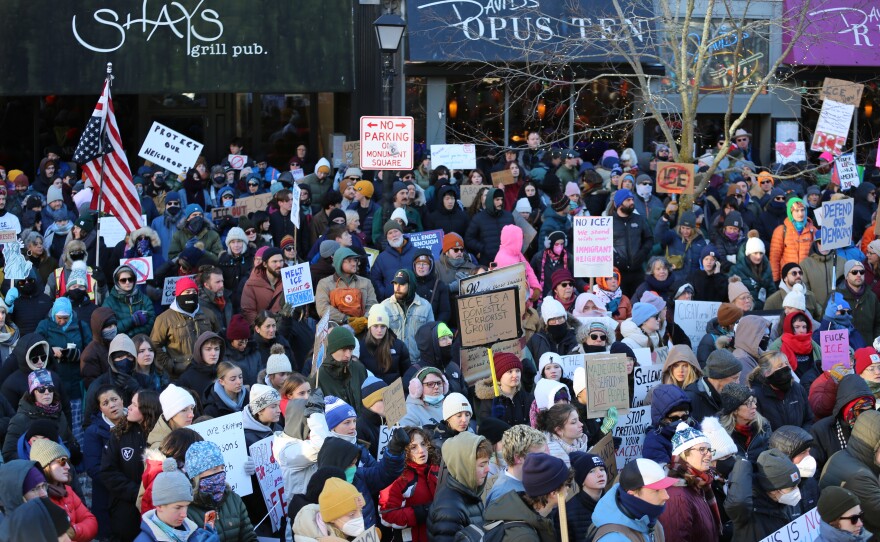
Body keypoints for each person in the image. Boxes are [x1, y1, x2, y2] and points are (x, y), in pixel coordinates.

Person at [101, 390, 162, 541]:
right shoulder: (119, 434)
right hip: (125, 510)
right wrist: (137, 493)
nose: (129, 407)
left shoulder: (162, 437)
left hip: (157, 508)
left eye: (135, 405)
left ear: (147, 409)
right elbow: (108, 472)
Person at [482, 452, 572, 541]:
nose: (568, 487)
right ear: (553, 493)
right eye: (566, 484)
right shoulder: (524, 537)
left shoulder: (541, 517)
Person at [657, 423, 721, 542]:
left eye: (709, 449)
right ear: (684, 454)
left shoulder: (699, 485)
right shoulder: (677, 496)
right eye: (702, 449)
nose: (709, 454)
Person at [183, 441, 257, 542]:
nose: (220, 473)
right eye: (214, 469)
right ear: (197, 474)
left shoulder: (233, 499)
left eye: (222, 467)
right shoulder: (186, 509)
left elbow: (249, 537)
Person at [3, 369, 81, 464]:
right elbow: (8, 454)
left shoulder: (59, 413)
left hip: (61, 468)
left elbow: (70, 440)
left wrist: (72, 450)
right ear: (33, 392)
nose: (47, 392)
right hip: (35, 474)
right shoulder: (20, 419)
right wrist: (35, 461)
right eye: (41, 389)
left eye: (50, 389)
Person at [427, 432, 494, 541]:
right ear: (465, 467)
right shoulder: (450, 509)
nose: (488, 469)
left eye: (488, 463)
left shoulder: (470, 492)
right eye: (482, 465)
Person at [588, 458, 674, 542]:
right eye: (656, 490)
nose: (666, 496)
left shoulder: (652, 522)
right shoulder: (614, 538)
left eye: (664, 488)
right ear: (632, 494)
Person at [378, 427, 440, 542]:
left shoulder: (436, 468)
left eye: (423, 444)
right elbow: (386, 515)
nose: (421, 450)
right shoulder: (397, 478)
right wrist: (421, 512)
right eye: (413, 447)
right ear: (404, 451)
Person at [134, 458, 219, 542]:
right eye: (178, 507)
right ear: (159, 506)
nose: (184, 514)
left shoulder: (194, 534)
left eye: (186, 506)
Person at [29, 438, 98, 542]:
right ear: (45, 465)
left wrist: (73, 531)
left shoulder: (67, 491)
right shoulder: (39, 497)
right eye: (62, 461)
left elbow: (92, 522)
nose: (67, 467)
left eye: (67, 461)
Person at [726, 449, 802, 541]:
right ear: (774, 490)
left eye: (797, 486)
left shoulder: (784, 502)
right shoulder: (748, 512)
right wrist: (743, 464)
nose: (796, 491)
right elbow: (738, 502)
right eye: (792, 488)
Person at [151, 277, 219, 379]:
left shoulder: (208, 314)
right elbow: (154, 345)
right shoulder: (164, 319)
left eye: (193, 292)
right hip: (180, 375)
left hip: (208, 372)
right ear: (178, 295)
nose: (191, 295)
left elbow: (218, 338)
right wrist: (171, 366)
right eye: (187, 292)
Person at [811, 373, 875, 472]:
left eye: (869, 409)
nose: (864, 415)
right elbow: (813, 471)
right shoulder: (822, 430)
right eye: (859, 410)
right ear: (846, 408)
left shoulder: (875, 427)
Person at [749, 351, 812, 431]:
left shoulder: (797, 388)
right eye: (780, 366)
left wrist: (802, 437)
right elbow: (759, 429)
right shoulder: (756, 395)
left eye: (786, 363)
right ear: (767, 373)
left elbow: (809, 419)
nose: (786, 367)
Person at [315, 246, 377, 327]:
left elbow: (372, 305)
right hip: (334, 331)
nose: (354, 263)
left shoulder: (366, 282)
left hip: (362, 330)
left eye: (355, 260)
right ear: (339, 262)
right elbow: (323, 308)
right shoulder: (324, 283)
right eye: (349, 260)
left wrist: (363, 321)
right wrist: (346, 319)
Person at [768, 425, 820, 516]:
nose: (808, 457)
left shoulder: (810, 482)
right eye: (802, 453)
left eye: (808, 451)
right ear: (785, 458)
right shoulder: (773, 492)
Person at [315, 327, 369, 413]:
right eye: (344, 350)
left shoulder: (359, 369)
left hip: (360, 424)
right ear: (332, 349)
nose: (348, 355)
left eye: (351, 350)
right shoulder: (318, 376)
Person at [612, 188, 654, 294]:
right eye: (628, 200)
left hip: (637, 271)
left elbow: (649, 239)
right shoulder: (609, 221)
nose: (632, 202)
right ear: (619, 203)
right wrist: (615, 259)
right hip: (617, 272)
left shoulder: (639, 219)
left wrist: (642, 253)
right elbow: (602, 245)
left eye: (632, 199)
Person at [476, 353, 534, 426]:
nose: (515, 375)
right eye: (510, 372)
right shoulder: (489, 402)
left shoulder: (528, 398)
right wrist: (493, 420)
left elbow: (535, 424)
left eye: (517, 371)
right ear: (500, 376)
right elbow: (484, 429)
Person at [685, 349, 742, 424]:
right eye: (735, 378)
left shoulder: (729, 395)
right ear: (720, 377)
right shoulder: (690, 399)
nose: (738, 382)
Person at [719, 383, 771, 461]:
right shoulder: (721, 434)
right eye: (748, 403)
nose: (754, 406)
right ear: (735, 410)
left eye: (754, 401)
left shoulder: (764, 426)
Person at [642, 384, 691, 465]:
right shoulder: (654, 441)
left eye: (684, 417)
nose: (680, 421)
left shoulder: (694, 427)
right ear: (662, 418)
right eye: (674, 418)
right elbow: (662, 473)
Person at [769, 198, 816, 281]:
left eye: (802, 210)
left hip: (807, 278)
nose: (800, 214)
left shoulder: (813, 230)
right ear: (791, 213)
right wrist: (775, 279)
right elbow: (774, 257)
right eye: (796, 211)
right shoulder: (781, 230)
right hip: (788, 278)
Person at [102, 263, 156, 337]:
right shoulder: (109, 302)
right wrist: (132, 320)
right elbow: (110, 331)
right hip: (120, 344)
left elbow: (151, 324)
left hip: (141, 343)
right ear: (117, 282)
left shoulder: (145, 299)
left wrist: (132, 334)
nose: (127, 282)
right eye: (123, 280)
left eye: (130, 279)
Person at [562, 452, 607, 538]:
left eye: (602, 469)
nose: (600, 474)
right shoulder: (567, 512)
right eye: (592, 471)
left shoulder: (614, 503)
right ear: (581, 479)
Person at [466, 188, 515, 266]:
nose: (500, 202)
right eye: (497, 200)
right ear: (490, 200)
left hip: (507, 261)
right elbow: (469, 239)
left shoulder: (508, 216)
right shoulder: (478, 218)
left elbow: (514, 236)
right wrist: (483, 248)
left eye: (502, 199)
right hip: (488, 262)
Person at [839, 259, 880, 344]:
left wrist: (876, 344)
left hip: (869, 351)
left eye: (861, 272)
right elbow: (828, 325)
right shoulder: (835, 297)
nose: (858, 275)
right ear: (846, 275)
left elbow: (878, 323)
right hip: (846, 352)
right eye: (854, 272)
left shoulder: (872, 297)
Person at [240, 248, 285, 323]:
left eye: (281, 261)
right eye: (274, 261)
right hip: (263, 330)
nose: (279, 265)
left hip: (286, 328)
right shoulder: (251, 284)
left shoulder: (289, 279)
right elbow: (248, 311)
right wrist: (263, 328)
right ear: (265, 264)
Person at [177, 331, 224, 401]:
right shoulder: (188, 377)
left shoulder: (224, 370)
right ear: (199, 351)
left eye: (216, 349)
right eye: (208, 349)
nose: (214, 353)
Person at [223, 315, 261, 386]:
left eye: (246, 341)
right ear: (231, 340)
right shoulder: (224, 356)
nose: (244, 345)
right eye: (240, 343)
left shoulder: (254, 352)